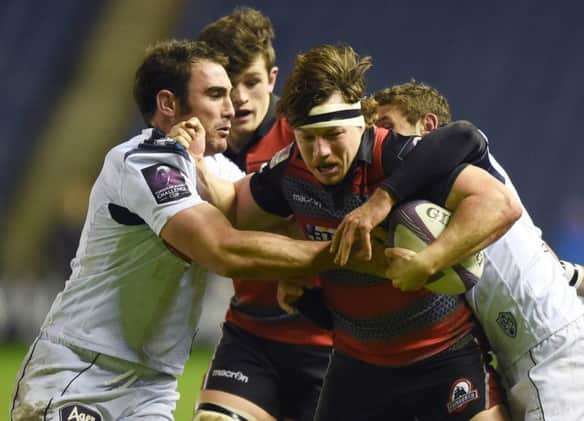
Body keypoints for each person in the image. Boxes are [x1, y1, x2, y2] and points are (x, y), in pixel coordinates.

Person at [9, 39, 385, 421]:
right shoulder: (142, 162)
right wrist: (342, 255)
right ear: (169, 104)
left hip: (153, 386)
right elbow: (223, 249)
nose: (232, 106)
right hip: (83, 368)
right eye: (216, 94)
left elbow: (272, 217)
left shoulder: (212, 168)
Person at [193, 43, 517, 421]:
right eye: (307, 138)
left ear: (360, 122)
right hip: (359, 368)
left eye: (332, 134)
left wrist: (429, 262)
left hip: (443, 356)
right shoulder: (291, 170)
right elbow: (235, 208)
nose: (321, 152)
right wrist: (194, 159)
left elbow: (500, 204)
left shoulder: (397, 156)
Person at [345, 80, 584, 420]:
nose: (384, 142)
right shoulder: (431, 208)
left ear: (427, 126)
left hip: (557, 349)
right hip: (513, 360)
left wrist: (383, 198)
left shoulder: (464, 165)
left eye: (387, 127)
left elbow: (465, 134)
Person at [194, 8, 333, 421]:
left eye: (251, 82)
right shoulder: (196, 147)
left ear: (273, 79)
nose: (239, 99)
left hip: (330, 341)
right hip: (251, 334)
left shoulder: (307, 136)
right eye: (226, 86)